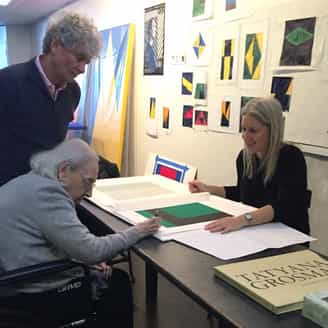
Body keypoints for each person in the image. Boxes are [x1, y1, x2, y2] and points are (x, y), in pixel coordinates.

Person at [0, 139, 161, 327]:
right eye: (88, 181)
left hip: (14, 276)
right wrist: (138, 231)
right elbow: (92, 251)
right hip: (30, 290)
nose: (90, 192)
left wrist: (81, 258)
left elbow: (57, 240)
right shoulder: (49, 194)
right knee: (118, 283)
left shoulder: (30, 182)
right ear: (64, 170)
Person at [0, 12, 102, 187]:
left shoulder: (73, 92)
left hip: (47, 191)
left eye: (87, 62)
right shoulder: (7, 83)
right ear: (55, 45)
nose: (82, 69)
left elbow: (55, 142)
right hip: (7, 196)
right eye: (79, 58)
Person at [189, 97, 310, 235]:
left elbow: (284, 206)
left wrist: (240, 220)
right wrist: (209, 189)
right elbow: (242, 192)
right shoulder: (244, 158)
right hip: (259, 232)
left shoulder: (291, 157)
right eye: (243, 129)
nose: (245, 136)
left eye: (253, 130)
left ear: (273, 130)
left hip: (289, 237)